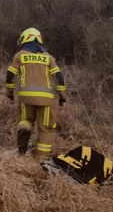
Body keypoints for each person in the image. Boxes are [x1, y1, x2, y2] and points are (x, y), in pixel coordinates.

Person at [5, 27, 67, 161]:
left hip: (26, 98)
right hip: (46, 101)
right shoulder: (48, 58)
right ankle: (40, 160)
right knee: (46, 129)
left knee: (25, 121)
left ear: (24, 39)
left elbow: (10, 76)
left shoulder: (20, 56)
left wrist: (10, 95)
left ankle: (22, 153)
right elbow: (59, 78)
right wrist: (62, 98)